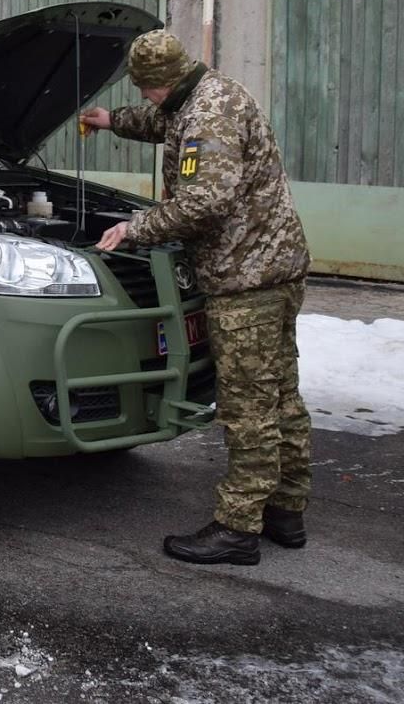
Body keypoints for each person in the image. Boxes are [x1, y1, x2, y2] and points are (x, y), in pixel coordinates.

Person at [79, 30, 312, 567]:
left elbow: (204, 202)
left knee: (249, 409)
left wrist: (136, 229)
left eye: (144, 90)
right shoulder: (205, 93)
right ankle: (286, 511)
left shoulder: (209, 118)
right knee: (281, 397)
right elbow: (161, 122)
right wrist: (109, 120)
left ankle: (238, 528)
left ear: (163, 81)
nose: (144, 99)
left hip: (245, 279)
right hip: (274, 267)